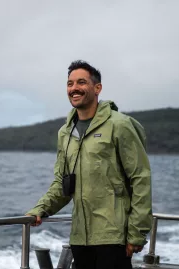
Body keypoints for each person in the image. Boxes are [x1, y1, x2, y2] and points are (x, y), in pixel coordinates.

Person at [26, 60, 152, 269]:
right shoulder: (65, 133)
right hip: (80, 238)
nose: (74, 88)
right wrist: (40, 209)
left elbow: (141, 178)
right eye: (70, 83)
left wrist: (136, 232)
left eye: (81, 82)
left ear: (97, 88)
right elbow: (62, 183)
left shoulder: (119, 125)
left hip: (114, 237)